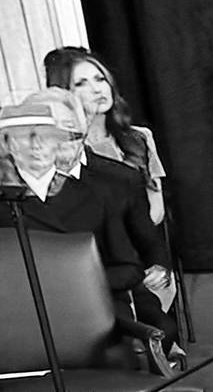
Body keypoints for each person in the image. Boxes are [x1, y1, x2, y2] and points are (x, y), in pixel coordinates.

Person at [23, 86, 179, 355]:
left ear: (83, 129)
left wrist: (159, 268)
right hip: (33, 301)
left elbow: (146, 243)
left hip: (113, 293)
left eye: (68, 129)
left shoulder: (120, 180)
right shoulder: (16, 189)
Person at [0, 99, 144, 309]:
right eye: (24, 137)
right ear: (9, 145)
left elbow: (129, 267)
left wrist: (77, 284)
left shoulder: (96, 195)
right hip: (21, 315)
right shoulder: (6, 202)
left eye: (45, 136)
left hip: (94, 311)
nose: (36, 145)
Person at [43, 46, 166, 225]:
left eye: (100, 79)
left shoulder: (139, 137)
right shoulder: (61, 149)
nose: (96, 89)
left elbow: (156, 205)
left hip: (141, 235)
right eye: (81, 83)